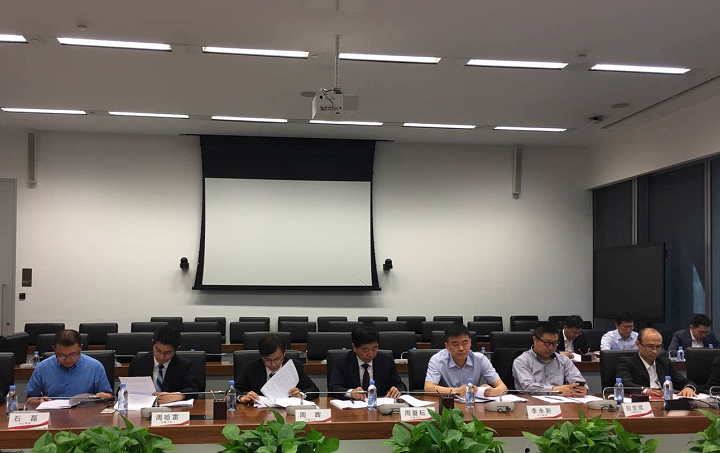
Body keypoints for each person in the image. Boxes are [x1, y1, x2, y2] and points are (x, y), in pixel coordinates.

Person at [424, 324, 507, 397]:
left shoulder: (480, 359)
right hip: (448, 404)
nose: (461, 348)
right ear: (447, 346)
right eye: (455, 344)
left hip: (472, 404)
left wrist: (492, 392)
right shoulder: (437, 360)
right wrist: (456, 391)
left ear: (470, 342)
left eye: (465, 343)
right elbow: (428, 388)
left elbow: (503, 387)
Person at [26, 329, 113, 399]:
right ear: (54, 349)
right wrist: (39, 402)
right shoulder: (43, 367)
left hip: (86, 413)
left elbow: (108, 396)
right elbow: (29, 399)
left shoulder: (95, 367)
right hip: (53, 414)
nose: (68, 359)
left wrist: (104, 396)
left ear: (80, 348)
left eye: (73, 354)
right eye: (61, 355)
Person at [235, 334, 319, 403]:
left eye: (277, 359)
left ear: (284, 354)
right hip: (259, 412)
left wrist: (301, 395)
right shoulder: (251, 368)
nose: (273, 364)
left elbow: (314, 389)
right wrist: (242, 397)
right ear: (262, 357)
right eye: (267, 360)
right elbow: (233, 390)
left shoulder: (295, 366)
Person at [328, 327, 406, 400]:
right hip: (353, 407)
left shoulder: (386, 361)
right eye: (365, 350)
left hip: (379, 406)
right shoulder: (342, 361)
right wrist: (351, 392)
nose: (370, 354)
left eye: (374, 349)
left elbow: (400, 385)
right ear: (354, 347)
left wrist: (397, 390)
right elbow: (333, 387)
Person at [513, 322, 588, 397]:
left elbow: (577, 379)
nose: (551, 347)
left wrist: (582, 389)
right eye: (547, 343)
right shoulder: (522, 361)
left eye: (555, 343)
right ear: (535, 340)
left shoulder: (564, 360)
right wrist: (555, 390)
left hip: (563, 402)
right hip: (532, 402)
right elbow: (527, 387)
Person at [616, 328, 697, 397]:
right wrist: (645, 390)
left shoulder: (664, 362)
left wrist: (689, 388)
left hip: (664, 401)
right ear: (638, 344)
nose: (654, 351)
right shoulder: (626, 362)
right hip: (642, 402)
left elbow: (683, 381)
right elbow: (625, 384)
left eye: (658, 347)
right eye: (650, 346)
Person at [128, 326, 199, 404]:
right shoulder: (138, 362)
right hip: (143, 406)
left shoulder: (184, 365)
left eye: (168, 353)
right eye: (158, 350)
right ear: (153, 344)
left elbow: (193, 389)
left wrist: (179, 395)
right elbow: (125, 388)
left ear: (177, 349)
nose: (162, 357)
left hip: (172, 408)